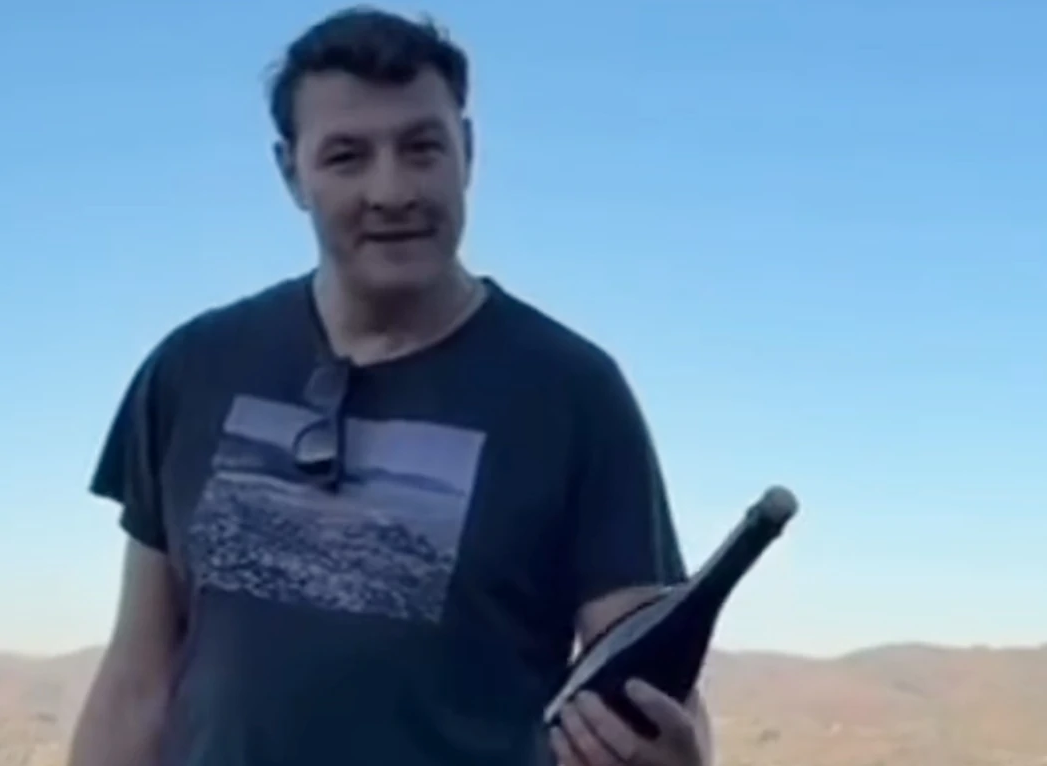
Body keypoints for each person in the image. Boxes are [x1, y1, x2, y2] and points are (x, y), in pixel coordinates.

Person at [67, 7, 713, 766]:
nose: (392, 190)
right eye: (346, 156)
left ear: (467, 153)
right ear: (291, 173)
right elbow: (137, 680)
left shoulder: (574, 394)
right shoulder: (191, 370)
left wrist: (672, 753)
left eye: (421, 148)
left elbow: (648, 687)